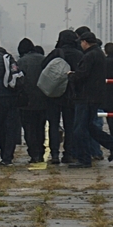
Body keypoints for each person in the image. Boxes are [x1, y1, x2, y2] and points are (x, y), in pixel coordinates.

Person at [69, 29, 113, 167]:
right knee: (89, 126)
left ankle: (84, 159)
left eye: (81, 42)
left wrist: (71, 76)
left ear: (85, 42)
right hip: (95, 96)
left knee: (79, 129)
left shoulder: (89, 56)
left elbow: (82, 75)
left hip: (85, 97)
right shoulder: (99, 54)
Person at [41, 30, 83, 164]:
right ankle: (68, 154)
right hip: (71, 95)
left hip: (54, 94)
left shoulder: (55, 53)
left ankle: (54, 154)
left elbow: (43, 67)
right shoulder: (78, 54)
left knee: (53, 124)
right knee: (70, 125)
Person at [15, 39, 49, 164]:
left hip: (26, 101)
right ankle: (41, 151)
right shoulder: (43, 59)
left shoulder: (21, 62)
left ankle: (34, 153)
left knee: (29, 129)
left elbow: (17, 81)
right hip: (43, 100)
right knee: (40, 127)